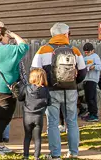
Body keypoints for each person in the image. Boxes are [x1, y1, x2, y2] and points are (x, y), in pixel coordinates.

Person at [31, 22, 87, 159]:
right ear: (66, 34)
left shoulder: (43, 50)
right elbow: (83, 72)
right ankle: (73, 153)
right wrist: (73, 83)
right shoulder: (75, 50)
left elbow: (34, 71)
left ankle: (55, 154)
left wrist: (43, 86)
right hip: (71, 90)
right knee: (72, 121)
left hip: (51, 90)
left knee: (53, 123)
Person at [0, 22, 29, 156]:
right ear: (2, 37)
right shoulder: (8, 50)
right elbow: (24, 46)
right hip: (3, 90)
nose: (9, 39)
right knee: (3, 118)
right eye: (7, 36)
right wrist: (12, 34)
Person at [21, 68, 49, 160]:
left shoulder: (27, 88)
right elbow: (49, 102)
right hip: (38, 116)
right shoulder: (45, 90)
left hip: (27, 116)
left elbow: (20, 98)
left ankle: (25, 156)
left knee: (27, 136)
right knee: (37, 138)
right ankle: (36, 156)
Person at [80, 43, 101, 122]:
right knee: (87, 98)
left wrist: (93, 66)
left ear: (93, 50)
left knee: (91, 98)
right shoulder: (84, 58)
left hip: (92, 79)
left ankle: (94, 114)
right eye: (85, 52)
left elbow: (100, 66)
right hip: (86, 79)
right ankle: (90, 113)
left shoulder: (95, 57)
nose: (87, 54)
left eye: (88, 52)